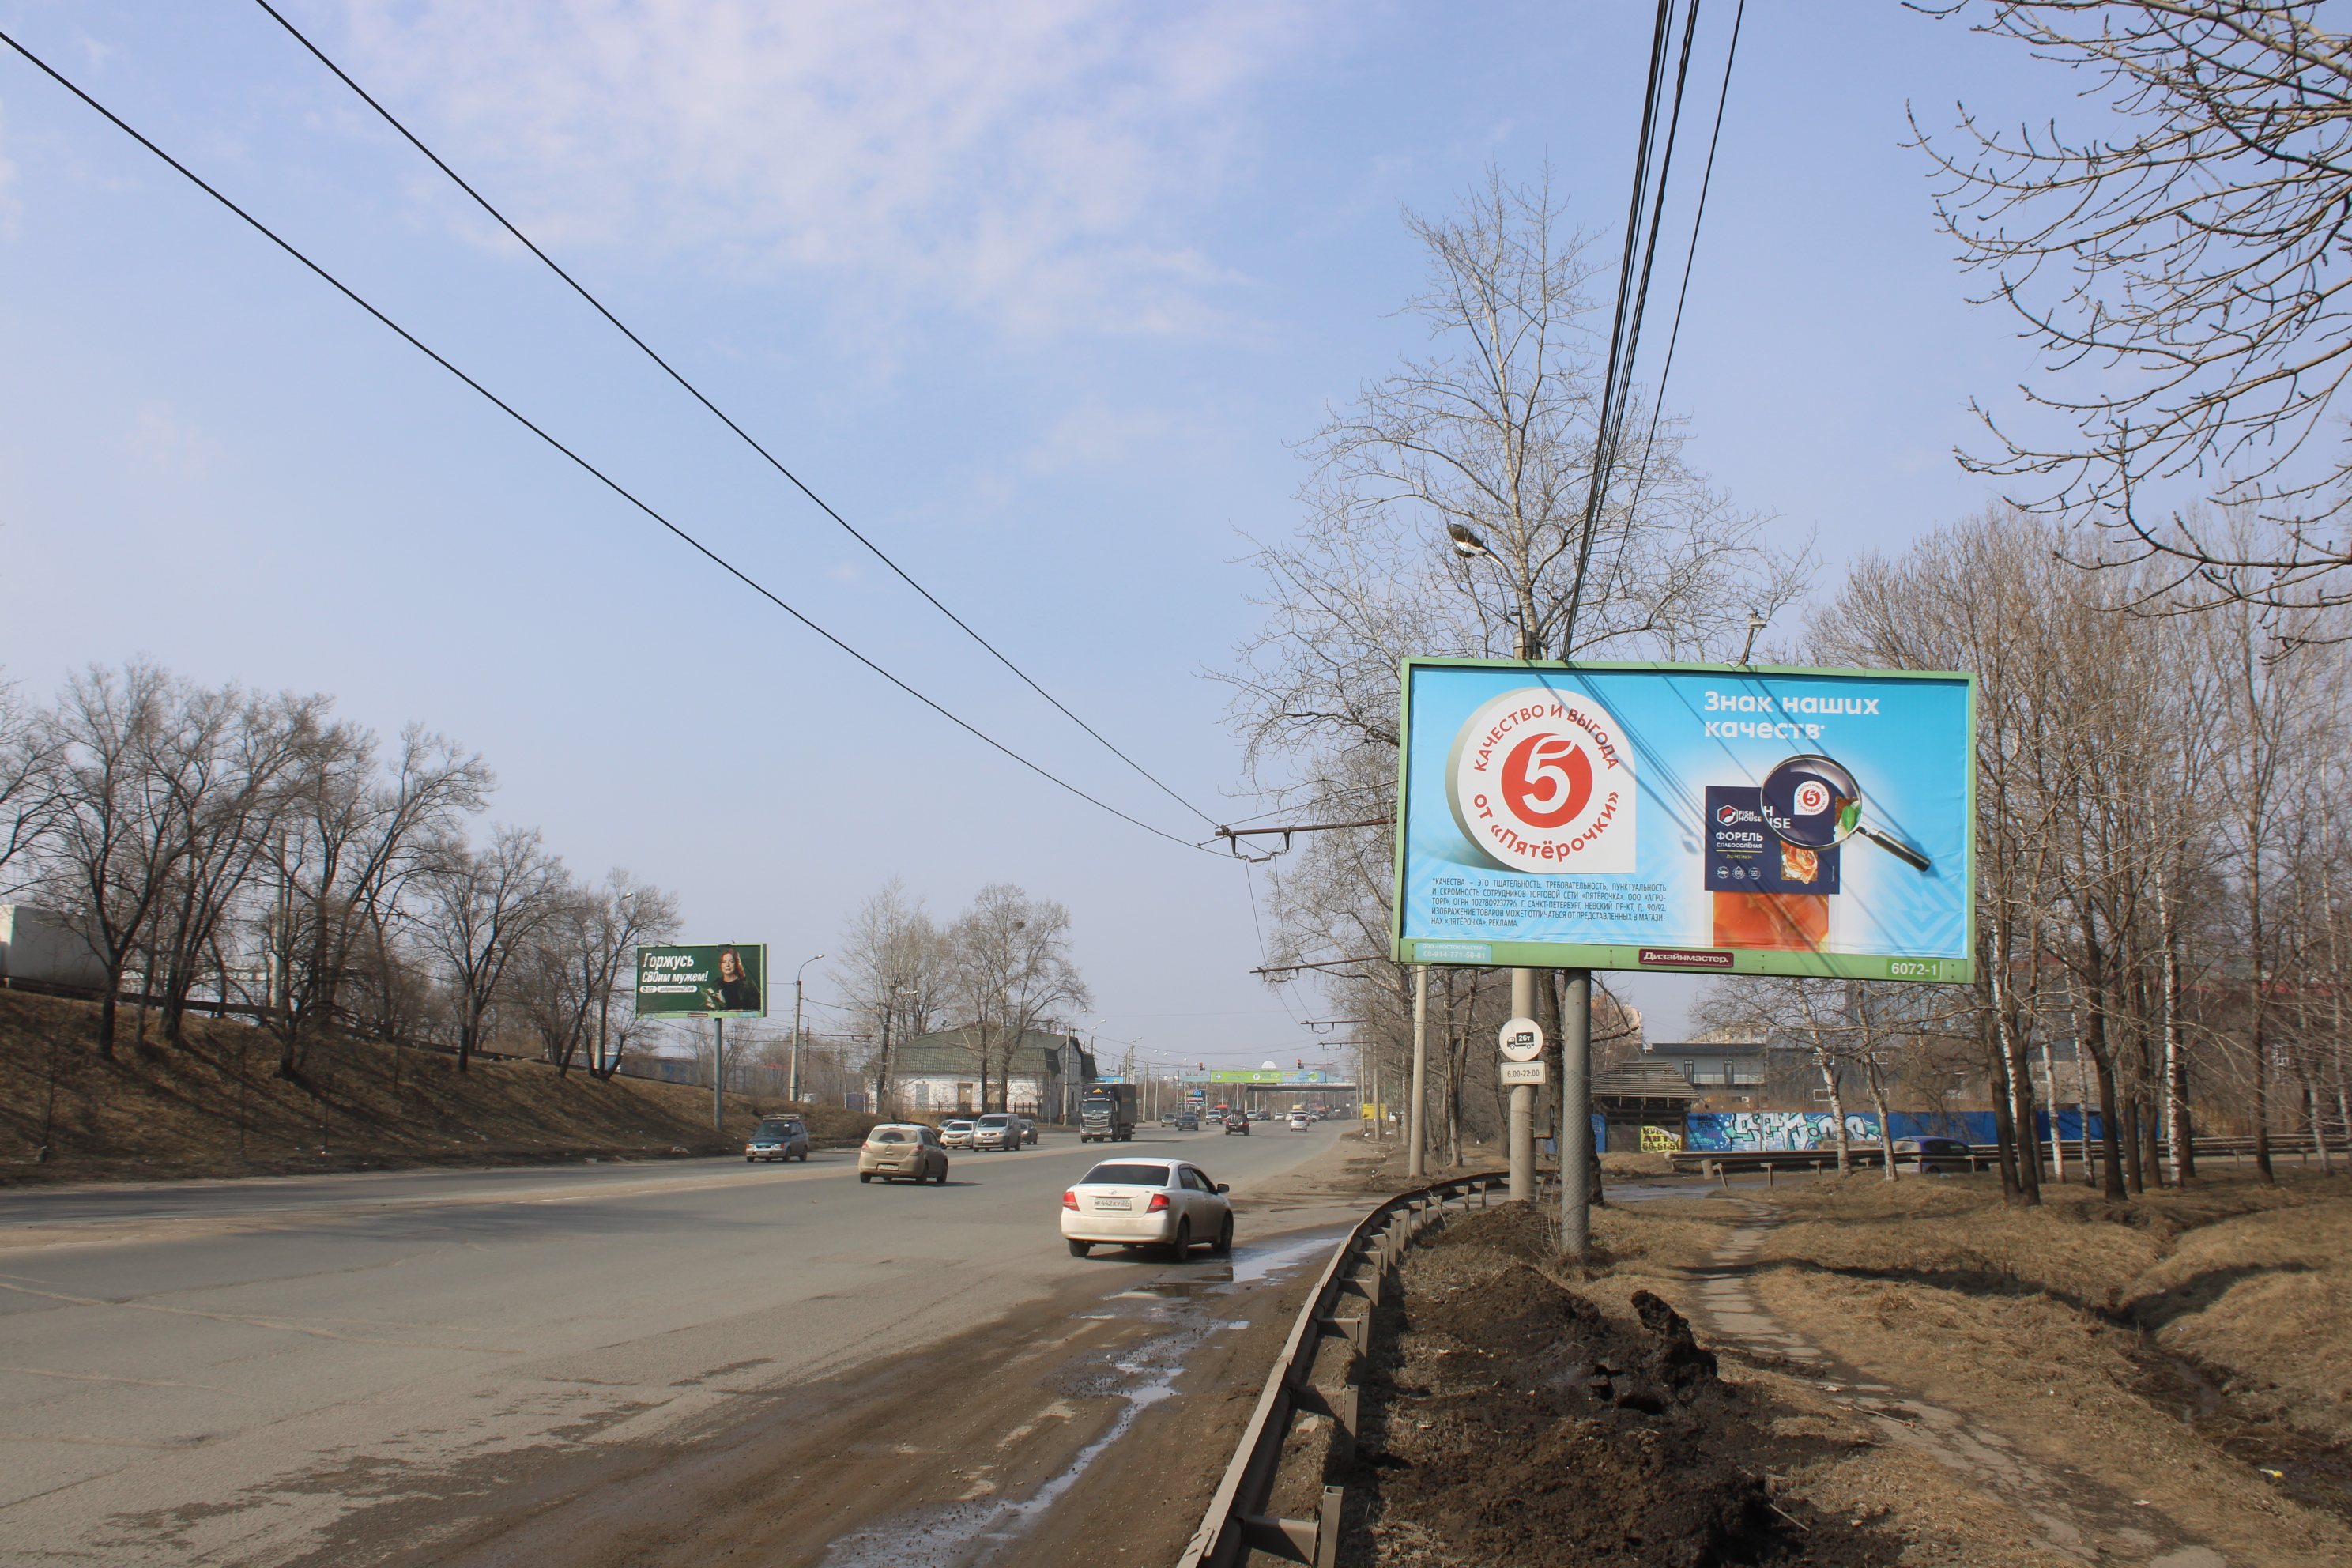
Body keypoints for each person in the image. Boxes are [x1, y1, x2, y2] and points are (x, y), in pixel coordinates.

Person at [708, 947, 763, 1013]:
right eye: (724, 962)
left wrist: (740, 1011)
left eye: (731, 962)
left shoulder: (747, 984)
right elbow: (710, 1009)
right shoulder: (715, 985)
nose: (727, 965)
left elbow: (758, 1007)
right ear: (721, 965)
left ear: (736, 964)